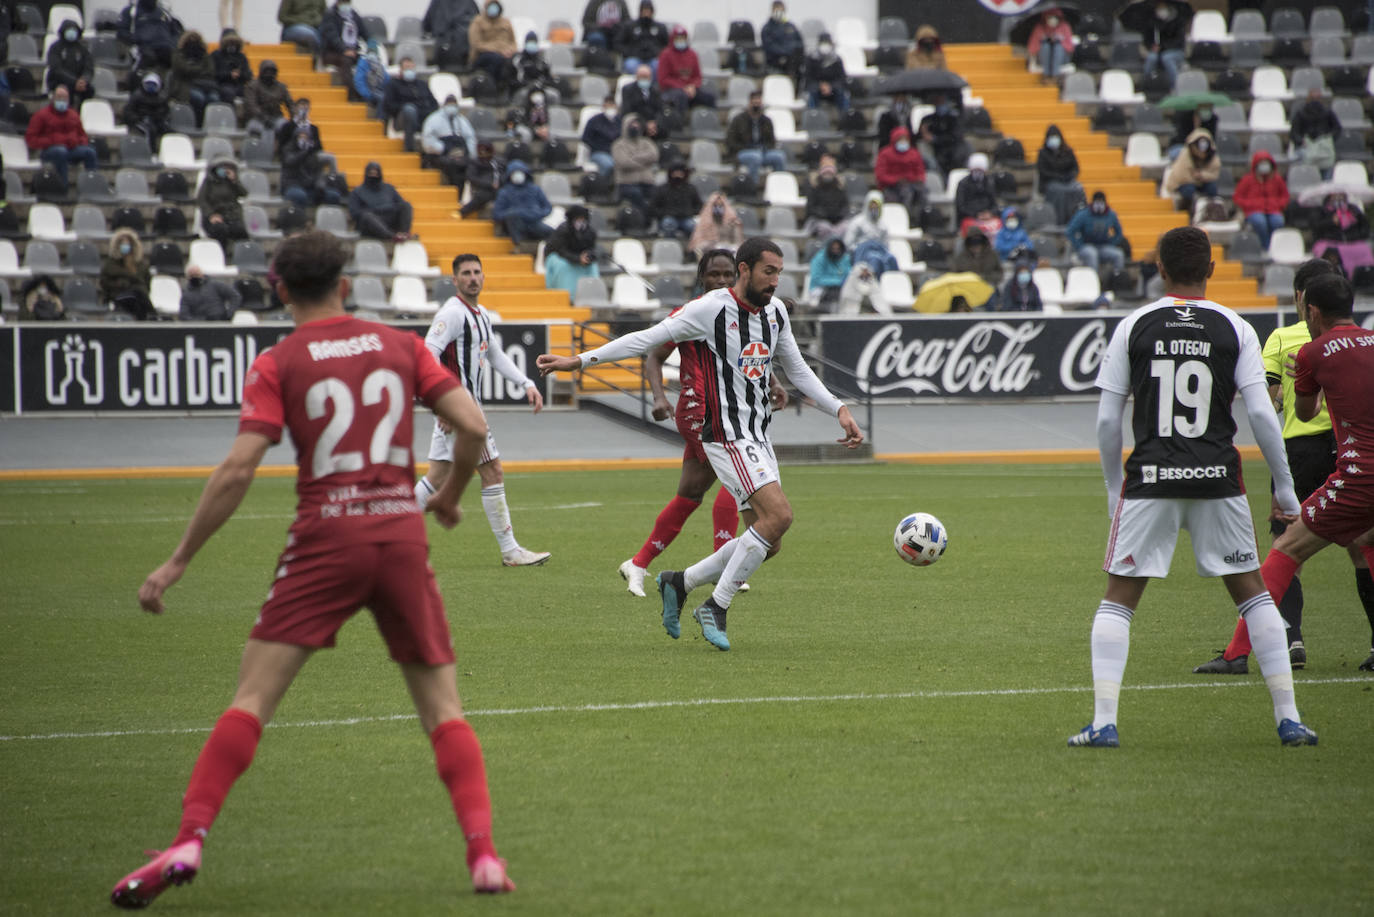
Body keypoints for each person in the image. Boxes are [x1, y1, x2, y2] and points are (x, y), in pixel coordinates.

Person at [109, 230, 514, 909]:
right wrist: (444, 498)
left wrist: (179, 559)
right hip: (397, 535)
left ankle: (188, 838)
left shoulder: (279, 360)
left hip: (325, 539)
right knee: (444, 710)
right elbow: (470, 426)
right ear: (347, 286)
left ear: (279, 289)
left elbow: (239, 467)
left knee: (251, 701)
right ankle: (483, 856)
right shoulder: (400, 344)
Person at [537, 238, 864, 650]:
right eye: (768, 272)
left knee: (769, 541)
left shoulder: (775, 312)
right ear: (745, 270)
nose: (775, 281)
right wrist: (582, 360)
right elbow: (647, 339)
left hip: (758, 433)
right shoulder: (710, 309)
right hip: (724, 434)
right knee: (778, 516)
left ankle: (680, 581)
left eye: (780, 272)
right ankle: (716, 606)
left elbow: (797, 369)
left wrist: (838, 408)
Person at [1068, 224, 1316, 749]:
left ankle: (1104, 724)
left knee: (1117, 602)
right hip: (1218, 479)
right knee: (1252, 596)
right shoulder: (1236, 327)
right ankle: (1289, 719)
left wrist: (1116, 489)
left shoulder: (1134, 324)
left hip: (1151, 477)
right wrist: (1287, 490)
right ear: (1211, 269)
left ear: (1159, 268)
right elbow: (1263, 416)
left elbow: (1108, 423)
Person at [1193, 260, 1374, 674]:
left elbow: (1307, 413)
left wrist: (1309, 384)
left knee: (1286, 547)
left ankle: (1238, 653)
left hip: (1356, 474)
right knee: (1367, 543)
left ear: (1311, 310)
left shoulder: (1310, 352)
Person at [618, 249, 789, 595]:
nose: (722, 281)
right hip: (700, 410)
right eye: (714, 275)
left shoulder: (741, 310)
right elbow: (654, 354)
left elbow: (747, 357)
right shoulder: (697, 313)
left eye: (727, 274)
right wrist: (659, 396)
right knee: (738, 480)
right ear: (702, 278)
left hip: (726, 412)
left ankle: (638, 563)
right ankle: (722, 566)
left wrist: (772, 381)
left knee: (691, 493)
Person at [413, 253, 551, 567]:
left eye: (477, 272)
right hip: (461, 411)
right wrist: (441, 404)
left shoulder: (481, 313)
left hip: (459, 409)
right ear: (455, 280)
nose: (473, 277)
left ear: (483, 277)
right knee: (492, 471)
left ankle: (387, 534)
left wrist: (526, 382)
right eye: (466, 273)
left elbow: (495, 355)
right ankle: (510, 551)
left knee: (436, 476)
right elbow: (426, 355)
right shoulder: (452, 314)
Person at [24, 86, 97, 188]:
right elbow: (31, 139)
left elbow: (83, 136)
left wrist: (77, 140)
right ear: (53, 98)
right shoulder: (41, 116)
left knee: (90, 152)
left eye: (64, 98)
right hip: (49, 151)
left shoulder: (73, 115)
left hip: (71, 149)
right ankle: (63, 187)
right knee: (60, 151)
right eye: (59, 97)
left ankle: (92, 186)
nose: (62, 100)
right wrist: (51, 141)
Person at [421, 95, 477, 199]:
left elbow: (470, 137)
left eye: (454, 105)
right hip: (439, 154)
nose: (452, 107)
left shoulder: (462, 120)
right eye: (449, 105)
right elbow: (428, 141)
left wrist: (470, 153)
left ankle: (460, 197)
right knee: (452, 165)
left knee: (467, 165)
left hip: (459, 153)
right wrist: (444, 149)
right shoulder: (433, 119)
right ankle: (452, 197)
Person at [1232, 150, 1288, 251]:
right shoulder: (1247, 179)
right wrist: (1249, 205)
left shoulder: (1277, 179)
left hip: (1273, 210)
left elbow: (1284, 196)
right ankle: (1266, 247)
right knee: (1260, 222)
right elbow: (1237, 197)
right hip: (1253, 211)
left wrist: (1278, 205)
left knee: (1277, 221)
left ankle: (1274, 246)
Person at [281, 110, 339, 208]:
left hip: (309, 185)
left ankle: (324, 219)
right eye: (300, 137)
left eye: (305, 138)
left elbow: (321, 169)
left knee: (333, 195)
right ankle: (301, 218)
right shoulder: (288, 149)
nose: (303, 140)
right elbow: (290, 161)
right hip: (292, 184)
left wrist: (321, 184)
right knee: (300, 196)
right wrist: (304, 152)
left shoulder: (313, 152)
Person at [725, 91, 787, 183]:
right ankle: (753, 187)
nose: (756, 106)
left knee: (779, 157)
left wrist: (764, 148)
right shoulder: (738, 120)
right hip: (742, 152)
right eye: (754, 103)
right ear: (749, 103)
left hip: (763, 152)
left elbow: (772, 142)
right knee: (755, 157)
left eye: (758, 103)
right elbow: (730, 141)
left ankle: (778, 185)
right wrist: (748, 148)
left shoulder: (767, 121)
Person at [381, 56, 438, 153]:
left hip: (423, 116)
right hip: (401, 118)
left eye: (411, 68)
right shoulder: (393, 84)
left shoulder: (422, 84)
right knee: (409, 109)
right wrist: (406, 106)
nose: (409, 70)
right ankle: (409, 148)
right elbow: (389, 105)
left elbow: (434, 103)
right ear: (401, 70)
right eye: (406, 68)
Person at [348, 161, 416, 242]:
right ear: (366, 174)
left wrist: (387, 208)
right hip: (371, 223)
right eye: (371, 173)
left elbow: (400, 203)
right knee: (367, 216)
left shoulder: (389, 188)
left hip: (388, 218)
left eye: (376, 173)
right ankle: (392, 237)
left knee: (406, 205)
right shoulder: (357, 192)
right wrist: (375, 210)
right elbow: (354, 213)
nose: (373, 175)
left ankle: (404, 234)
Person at [490, 160, 552, 245]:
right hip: (517, 225)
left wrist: (537, 214)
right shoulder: (504, 192)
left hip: (534, 223)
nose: (518, 175)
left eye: (520, 172)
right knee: (512, 217)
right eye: (514, 173)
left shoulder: (535, 189)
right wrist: (515, 212)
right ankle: (519, 245)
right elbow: (497, 214)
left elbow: (547, 207)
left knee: (553, 232)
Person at [1312, 192, 1374, 276]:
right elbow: (1316, 227)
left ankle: (1363, 276)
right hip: (1330, 242)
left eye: (1341, 195)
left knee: (1364, 249)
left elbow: (1364, 228)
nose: (1338, 198)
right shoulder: (1322, 211)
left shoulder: (1353, 209)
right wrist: (1331, 221)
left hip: (1352, 242)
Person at [543, 205, 600, 294]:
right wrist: (578, 258)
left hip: (579, 256)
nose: (581, 222)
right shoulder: (563, 230)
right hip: (557, 256)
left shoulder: (590, 232)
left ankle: (591, 293)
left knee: (593, 266)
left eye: (583, 219)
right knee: (564, 266)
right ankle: (566, 294)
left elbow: (591, 247)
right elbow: (560, 250)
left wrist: (588, 256)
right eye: (578, 219)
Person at [1066, 190, 1126, 275]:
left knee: (1119, 254)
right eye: (1097, 203)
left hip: (1103, 246)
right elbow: (1070, 231)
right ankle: (1094, 281)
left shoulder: (1111, 214)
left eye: (1101, 203)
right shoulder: (1084, 214)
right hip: (1087, 246)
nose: (1099, 206)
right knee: (1092, 254)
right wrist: (1079, 246)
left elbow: (1119, 232)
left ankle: (1117, 278)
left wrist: (1111, 243)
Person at [99, 228, 154, 320]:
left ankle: (147, 319)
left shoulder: (140, 264)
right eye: (122, 244)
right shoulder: (111, 264)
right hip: (118, 295)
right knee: (136, 295)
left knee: (138, 296)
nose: (125, 246)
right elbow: (104, 283)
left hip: (137, 296)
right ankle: (152, 316)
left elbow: (147, 282)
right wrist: (121, 283)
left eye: (127, 244)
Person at [657, 25, 715, 111]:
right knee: (681, 97)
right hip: (672, 90)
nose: (681, 40)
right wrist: (682, 87)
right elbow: (663, 79)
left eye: (683, 38)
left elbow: (697, 76)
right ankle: (680, 122)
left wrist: (693, 86)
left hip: (690, 88)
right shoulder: (665, 55)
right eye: (678, 38)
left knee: (709, 98)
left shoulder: (692, 54)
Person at [1163, 128, 1220, 213]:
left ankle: (1209, 212)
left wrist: (1201, 175)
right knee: (1189, 190)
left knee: (1212, 189)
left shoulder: (1212, 157)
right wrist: (1196, 177)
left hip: (1201, 181)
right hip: (1182, 183)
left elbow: (1214, 174)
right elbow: (1181, 176)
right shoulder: (1185, 155)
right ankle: (1185, 212)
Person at [168, 30, 219, 125]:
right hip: (185, 85)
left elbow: (210, 71)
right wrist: (199, 69)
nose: (193, 42)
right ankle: (196, 124)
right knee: (198, 98)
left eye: (195, 40)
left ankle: (208, 124)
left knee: (213, 98)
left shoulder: (205, 55)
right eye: (190, 39)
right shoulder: (178, 54)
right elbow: (183, 69)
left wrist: (193, 70)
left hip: (205, 85)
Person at [117, 0, 183, 71]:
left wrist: (172, 44)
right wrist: (137, 39)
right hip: (143, 49)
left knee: (178, 62)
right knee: (146, 60)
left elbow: (176, 33)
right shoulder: (131, 11)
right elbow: (122, 31)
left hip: (166, 49)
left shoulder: (164, 13)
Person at [1290, 89, 1342, 180]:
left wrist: (1329, 139)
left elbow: (1337, 129)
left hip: (1324, 147)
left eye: (1317, 98)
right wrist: (1301, 141)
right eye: (1313, 98)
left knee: (1329, 161)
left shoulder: (1328, 112)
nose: (1315, 101)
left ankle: (1326, 187)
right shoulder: (1301, 113)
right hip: (1306, 148)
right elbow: (1294, 133)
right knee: (1300, 156)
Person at [612, 114, 658, 214]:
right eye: (632, 125)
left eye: (637, 125)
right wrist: (644, 164)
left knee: (657, 195)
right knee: (636, 194)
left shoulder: (646, 142)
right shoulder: (618, 144)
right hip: (626, 184)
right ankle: (646, 219)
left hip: (647, 183)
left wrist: (634, 158)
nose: (635, 127)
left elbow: (654, 155)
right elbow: (624, 162)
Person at [1038, 124, 1084, 225]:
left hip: (1067, 180)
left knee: (1078, 189)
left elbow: (1075, 168)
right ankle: (1060, 221)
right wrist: (1057, 177)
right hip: (1051, 182)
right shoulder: (1043, 153)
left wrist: (1070, 176)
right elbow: (1043, 171)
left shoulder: (1068, 151)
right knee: (1060, 192)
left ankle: (1079, 220)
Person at [198, 160, 248, 252]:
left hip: (231, 217)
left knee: (240, 230)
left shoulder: (231, 182)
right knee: (220, 230)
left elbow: (244, 193)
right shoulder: (208, 183)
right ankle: (221, 254)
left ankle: (242, 255)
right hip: (213, 217)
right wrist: (211, 215)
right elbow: (202, 200)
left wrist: (234, 181)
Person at [844, 190, 899, 274]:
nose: (874, 210)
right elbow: (848, 243)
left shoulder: (882, 226)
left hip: (879, 251)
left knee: (891, 259)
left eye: (876, 207)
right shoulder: (857, 222)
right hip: (861, 253)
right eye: (872, 207)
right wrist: (862, 248)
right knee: (874, 259)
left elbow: (886, 246)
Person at [917, 91, 969, 178]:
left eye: (941, 101)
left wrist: (935, 139)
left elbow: (955, 137)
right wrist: (923, 132)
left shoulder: (954, 119)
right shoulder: (928, 119)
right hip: (934, 152)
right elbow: (920, 136)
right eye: (937, 101)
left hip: (951, 153)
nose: (939, 104)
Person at [45, 18, 93, 109]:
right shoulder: (55, 47)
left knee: (90, 90)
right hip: (59, 81)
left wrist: (84, 80)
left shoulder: (83, 49)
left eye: (74, 30)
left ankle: (82, 113)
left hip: (79, 82)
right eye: (69, 30)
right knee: (65, 90)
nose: (72, 32)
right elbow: (56, 69)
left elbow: (89, 68)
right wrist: (74, 82)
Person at [1140, 1, 1190, 89]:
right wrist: (1152, 46)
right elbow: (1147, 40)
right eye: (1159, 7)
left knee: (1167, 58)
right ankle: (1146, 84)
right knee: (1151, 58)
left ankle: (1175, 86)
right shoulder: (1152, 23)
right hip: (1157, 51)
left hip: (1176, 51)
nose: (1161, 10)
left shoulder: (1177, 22)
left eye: (1163, 7)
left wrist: (1163, 47)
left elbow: (1178, 41)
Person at [874, 126, 925, 210]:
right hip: (890, 187)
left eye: (905, 140)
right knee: (903, 194)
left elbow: (920, 172)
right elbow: (880, 175)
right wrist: (897, 180)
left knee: (921, 193)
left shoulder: (914, 154)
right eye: (900, 140)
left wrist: (917, 179)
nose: (903, 142)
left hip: (911, 184)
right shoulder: (885, 154)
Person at [319, 0, 368, 87]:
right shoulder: (330, 14)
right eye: (343, 2)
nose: (346, 5)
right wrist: (344, 50)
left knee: (366, 61)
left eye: (348, 2)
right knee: (346, 61)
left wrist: (372, 45)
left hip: (353, 51)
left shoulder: (354, 15)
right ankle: (351, 93)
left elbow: (365, 33)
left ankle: (369, 91)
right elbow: (332, 36)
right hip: (332, 52)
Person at [649, 161, 701, 240]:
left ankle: (691, 249)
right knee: (668, 224)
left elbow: (698, 205)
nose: (678, 175)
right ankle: (670, 246)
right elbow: (653, 207)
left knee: (692, 226)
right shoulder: (662, 189)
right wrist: (665, 213)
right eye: (676, 172)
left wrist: (690, 212)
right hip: (668, 217)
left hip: (686, 218)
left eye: (680, 172)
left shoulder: (691, 189)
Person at [469, 1, 517, 85]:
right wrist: (499, 50)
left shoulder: (506, 22)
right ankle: (491, 84)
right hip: (483, 55)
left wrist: (510, 50)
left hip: (505, 52)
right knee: (496, 59)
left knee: (515, 60)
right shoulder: (478, 22)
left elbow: (513, 42)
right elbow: (477, 44)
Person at [616, 0, 668, 77]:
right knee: (631, 66)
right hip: (634, 58)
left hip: (653, 59)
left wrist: (658, 52)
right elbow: (618, 43)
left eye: (648, 11)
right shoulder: (630, 26)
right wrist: (629, 52)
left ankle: (653, 87)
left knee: (657, 66)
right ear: (640, 11)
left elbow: (667, 45)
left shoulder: (660, 27)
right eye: (644, 10)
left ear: (652, 12)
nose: (646, 13)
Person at [952, 227, 1003, 304]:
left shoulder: (992, 255)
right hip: (967, 289)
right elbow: (955, 275)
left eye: (979, 242)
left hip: (988, 286)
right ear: (968, 243)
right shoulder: (961, 258)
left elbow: (999, 273)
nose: (976, 246)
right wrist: (971, 278)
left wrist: (984, 277)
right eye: (972, 242)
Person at [424, 0, 479, 70]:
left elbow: (426, 26)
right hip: (460, 48)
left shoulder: (437, 2)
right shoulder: (470, 2)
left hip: (447, 46)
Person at [801, 33, 850, 111]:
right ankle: (814, 116)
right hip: (816, 89)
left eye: (827, 43)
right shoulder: (811, 59)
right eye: (823, 43)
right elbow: (808, 78)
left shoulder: (836, 59)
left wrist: (831, 86)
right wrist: (820, 86)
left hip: (833, 89)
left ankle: (844, 119)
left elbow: (842, 78)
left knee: (843, 94)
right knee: (811, 95)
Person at [243, 60, 292, 137]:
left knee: (286, 128)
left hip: (277, 117)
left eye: (272, 71)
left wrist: (294, 117)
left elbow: (290, 103)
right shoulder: (252, 86)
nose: (269, 74)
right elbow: (251, 105)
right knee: (256, 129)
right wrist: (264, 118)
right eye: (267, 71)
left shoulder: (281, 87)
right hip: (257, 118)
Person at [802, 159, 849, 240]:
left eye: (830, 173)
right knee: (824, 228)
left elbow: (845, 207)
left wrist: (837, 216)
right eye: (826, 173)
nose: (828, 175)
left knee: (846, 227)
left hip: (837, 221)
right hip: (819, 220)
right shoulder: (814, 189)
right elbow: (810, 208)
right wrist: (823, 214)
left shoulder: (840, 190)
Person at [122, 71, 172, 147]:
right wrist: (137, 118)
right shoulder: (137, 96)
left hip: (157, 120)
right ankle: (151, 151)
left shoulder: (161, 98)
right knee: (151, 130)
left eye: (153, 84)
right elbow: (128, 111)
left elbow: (166, 111)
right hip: (142, 119)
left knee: (167, 130)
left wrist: (161, 117)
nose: (150, 86)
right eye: (148, 84)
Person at [687, 191, 743, 257]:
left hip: (729, 250)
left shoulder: (732, 221)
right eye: (715, 206)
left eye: (720, 206)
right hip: (710, 252)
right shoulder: (704, 221)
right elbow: (698, 244)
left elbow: (738, 242)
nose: (718, 209)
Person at [954, 153, 999, 232]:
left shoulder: (989, 183)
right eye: (975, 170)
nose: (978, 173)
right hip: (969, 217)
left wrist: (990, 213)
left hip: (987, 217)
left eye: (980, 170)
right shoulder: (963, 184)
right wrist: (976, 215)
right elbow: (961, 207)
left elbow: (994, 203)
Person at [619, 64, 666, 139]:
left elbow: (660, 110)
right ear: (637, 77)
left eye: (646, 77)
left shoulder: (656, 90)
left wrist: (654, 123)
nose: (644, 79)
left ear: (651, 77)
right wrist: (645, 124)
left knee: (664, 126)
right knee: (634, 126)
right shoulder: (628, 90)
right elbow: (627, 110)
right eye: (642, 76)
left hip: (653, 123)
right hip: (636, 120)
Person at [1026, 7, 1075, 78]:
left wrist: (1059, 40)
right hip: (1043, 59)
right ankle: (1046, 74)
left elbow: (1070, 47)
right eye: (1050, 17)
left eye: (1055, 17)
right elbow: (1032, 47)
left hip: (1062, 58)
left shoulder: (1065, 27)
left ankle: (1055, 75)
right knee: (1045, 46)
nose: (1052, 20)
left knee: (1058, 47)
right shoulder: (1040, 28)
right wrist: (1044, 40)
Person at [760, 1, 804, 77]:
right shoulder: (767, 28)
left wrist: (792, 50)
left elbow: (800, 43)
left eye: (781, 10)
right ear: (772, 11)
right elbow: (769, 46)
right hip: (775, 63)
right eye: (776, 10)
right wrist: (785, 51)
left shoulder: (791, 26)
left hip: (792, 63)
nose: (779, 12)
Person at [581, 94, 621, 176]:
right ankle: (602, 184)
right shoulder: (594, 121)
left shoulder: (619, 121)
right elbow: (585, 138)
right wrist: (597, 147)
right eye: (607, 105)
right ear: (603, 106)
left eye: (612, 105)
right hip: (599, 152)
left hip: (616, 152)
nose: (610, 108)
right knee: (609, 165)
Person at [807, 236, 851, 309]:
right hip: (821, 289)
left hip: (841, 288)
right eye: (833, 248)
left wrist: (844, 281)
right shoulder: (819, 258)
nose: (835, 251)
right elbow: (817, 279)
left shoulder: (845, 257)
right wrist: (838, 281)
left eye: (838, 249)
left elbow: (848, 274)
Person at [210, 29, 251, 104]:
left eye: (234, 43)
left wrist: (240, 74)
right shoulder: (216, 55)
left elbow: (248, 74)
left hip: (239, 85)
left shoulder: (241, 56)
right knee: (228, 93)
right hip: (222, 85)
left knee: (250, 93)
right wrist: (229, 75)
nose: (232, 45)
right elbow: (213, 74)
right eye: (229, 42)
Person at [513, 31, 555, 99]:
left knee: (553, 95)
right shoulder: (518, 59)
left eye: (534, 42)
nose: (532, 44)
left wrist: (541, 84)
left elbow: (548, 76)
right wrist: (529, 84)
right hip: (524, 87)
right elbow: (516, 78)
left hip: (541, 87)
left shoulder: (542, 59)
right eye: (530, 42)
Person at [351, 40, 388, 107]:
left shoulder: (380, 65)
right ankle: (380, 117)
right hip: (368, 95)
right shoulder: (362, 64)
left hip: (379, 92)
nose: (372, 54)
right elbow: (359, 82)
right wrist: (369, 95)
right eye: (370, 51)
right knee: (382, 99)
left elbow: (387, 80)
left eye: (374, 52)